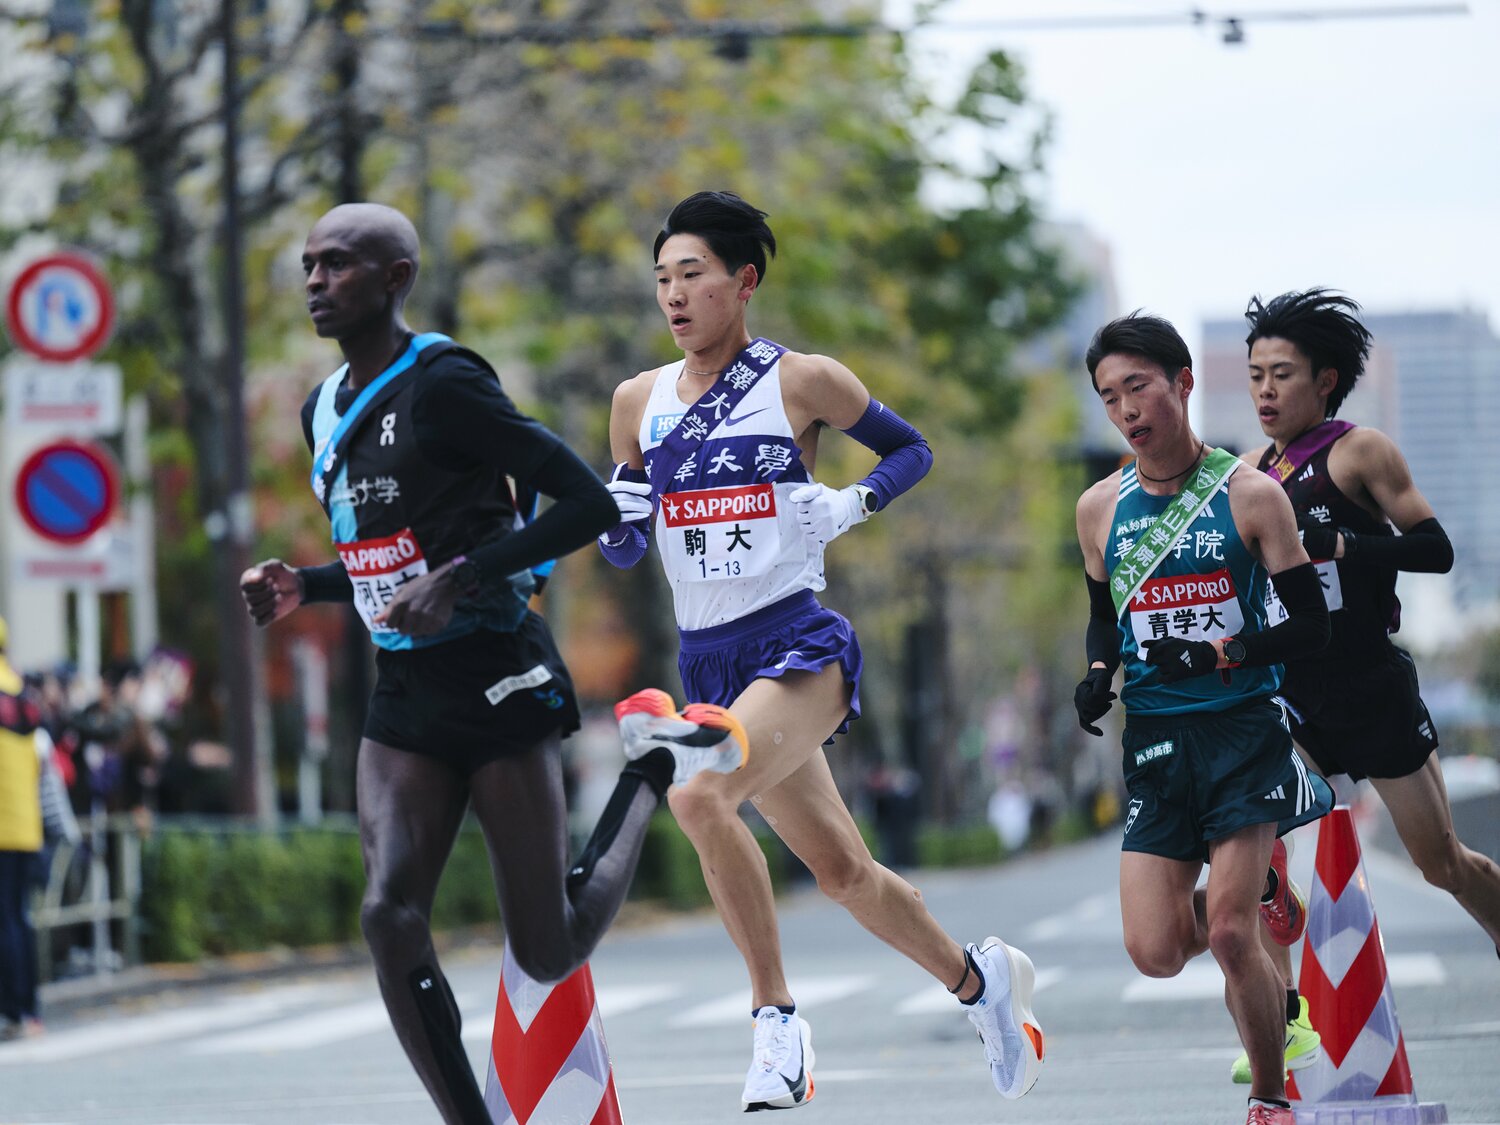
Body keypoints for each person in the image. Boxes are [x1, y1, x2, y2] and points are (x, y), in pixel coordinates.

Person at [240, 203, 747, 1125]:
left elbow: (588, 502)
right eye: (309, 264)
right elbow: (387, 563)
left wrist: (464, 576)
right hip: (405, 691)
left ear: (396, 278)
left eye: (339, 264)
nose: (315, 281)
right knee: (389, 915)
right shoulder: (324, 409)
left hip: (496, 672)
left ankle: (649, 770)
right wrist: (303, 586)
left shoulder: (444, 384)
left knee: (547, 948)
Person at [598, 190, 1043, 1112]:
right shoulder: (635, 401)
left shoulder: (800, 380)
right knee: (842, 872)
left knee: (698, 791)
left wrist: (851, 503)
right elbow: (628, 546)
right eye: (661, 280)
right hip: (710, 659)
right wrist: (616, 520)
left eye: (692, 275)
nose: (673, 296)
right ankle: (982, 982)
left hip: (798, 644)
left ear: (743, 282)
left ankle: (777, 1025)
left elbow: (910, 448)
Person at [1230, 288, 1500, 1084]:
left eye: (1282, 374)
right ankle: (1284, 1018)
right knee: (1256, 846)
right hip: (1292, 691)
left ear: (1326, 379)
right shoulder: (1249, 474)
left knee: (1441, 862)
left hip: (1370, 684)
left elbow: (1436, 549)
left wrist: (1343, 544)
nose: (1265, 390)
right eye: (1255, 374)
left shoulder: (1359, 452)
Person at [1072, 313, 1334, 1125]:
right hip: (1155, 743)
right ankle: (1261, 886)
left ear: (1182, 383)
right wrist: (1098, 674)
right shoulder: (1098, 508)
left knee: (1226, 933)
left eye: (1139, 387)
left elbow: (1310, 626)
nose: (1127, 409)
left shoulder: (1250, 494)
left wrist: (1220, 652)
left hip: (1242, 730)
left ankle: (1269, 1099)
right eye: (1110, 397)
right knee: (1154, 951)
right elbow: (1103, 619)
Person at [0, 616, 49, 1041]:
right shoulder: (21, 693)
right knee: (19, 918)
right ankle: (29, 1009)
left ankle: (12, 1011)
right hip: (26, 824)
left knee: (6, 922)